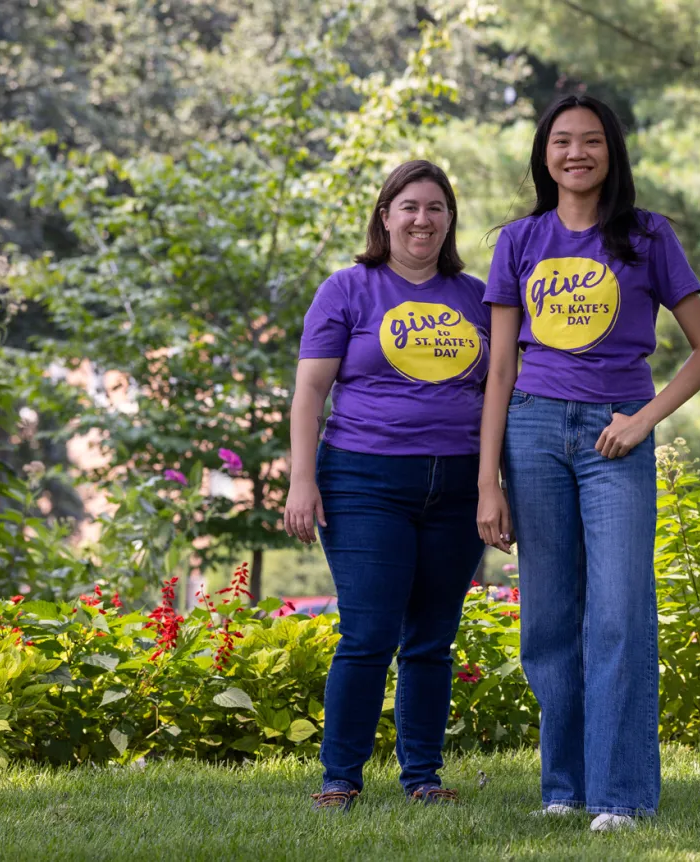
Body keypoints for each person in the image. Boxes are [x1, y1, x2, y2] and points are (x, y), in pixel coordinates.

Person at [476, 94, 700, 832]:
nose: (575, 153)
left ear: (610, 152)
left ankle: (621, 795)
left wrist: (643, 420)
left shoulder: (647, 237)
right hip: (531, 431)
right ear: (543, 154)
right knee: (550, 617)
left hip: (614, 437)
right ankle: (563, 788)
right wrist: (487, 480)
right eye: (561, 141)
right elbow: (497, 371)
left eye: (590, 141)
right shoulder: (519, 241)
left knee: (619, 612)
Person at [283, 159, 490, 813]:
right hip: (364, 480)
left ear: (449, 219)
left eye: (435, 207)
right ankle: (340, 779)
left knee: (432, 637)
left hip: (458, 484)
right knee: (368, 633)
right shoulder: (347, 289)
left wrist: (495, 486)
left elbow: (500, 396)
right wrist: (300, 479)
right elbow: (310, 392)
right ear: (385, 216)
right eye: (409, 207)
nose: (422, 219)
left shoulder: (479, 297)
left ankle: (423, 778)